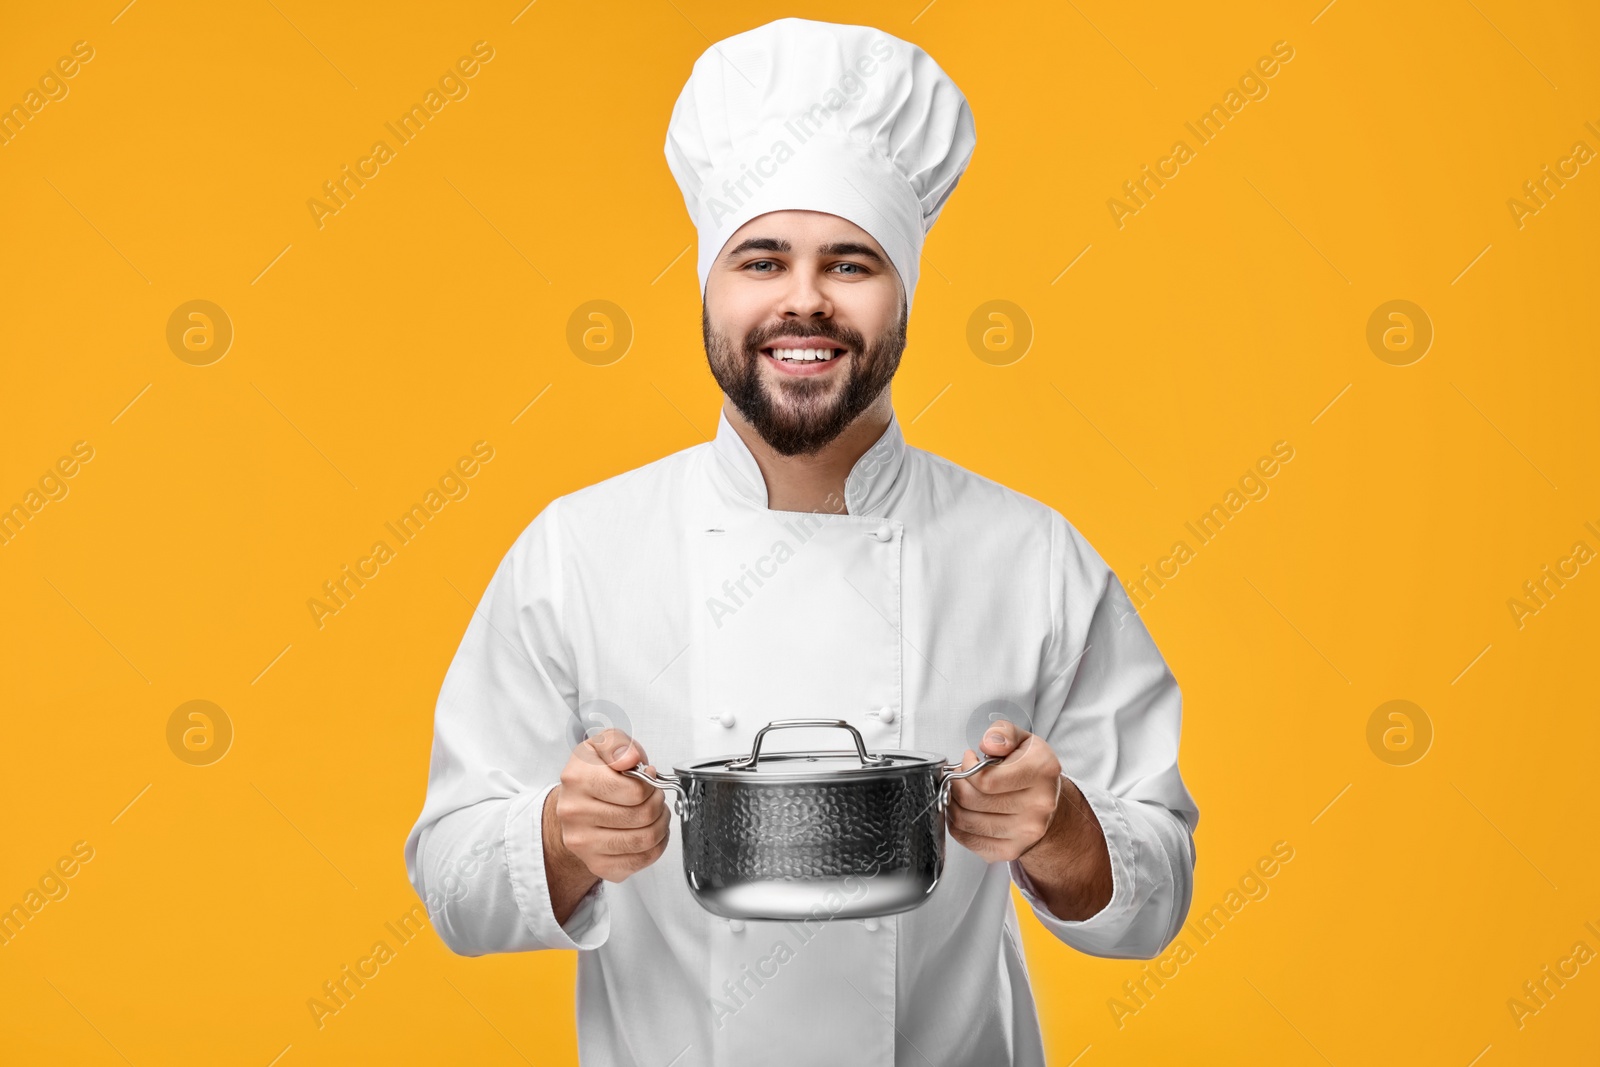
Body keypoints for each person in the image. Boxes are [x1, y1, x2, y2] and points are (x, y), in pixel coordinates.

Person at [403, 17, 1198, 1066]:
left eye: (850, 261)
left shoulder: (1031, 557)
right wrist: (558, 837)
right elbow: (451, 875)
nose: (803, 300)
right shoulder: (578, 552)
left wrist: (1061, 830)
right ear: (709, 288)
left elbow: (1158, 892)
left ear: (901, 290)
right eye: (762, 259)